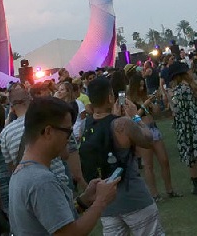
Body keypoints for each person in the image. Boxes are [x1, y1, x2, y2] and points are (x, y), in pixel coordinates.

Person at [8, 97, 121, 236]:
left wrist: (83, 200)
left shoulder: (21, 172)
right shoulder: (42, 181)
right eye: (67, 131)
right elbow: (69, 233)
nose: (70, 138)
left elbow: (51, 221)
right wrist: (101, 201)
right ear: (48, 132)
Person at [78, 75, 164, 235]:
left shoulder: (86, 124)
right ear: (110, 97)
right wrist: (135, 117)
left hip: (106, 201)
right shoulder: (122, 124)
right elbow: (147, 139)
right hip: (133, 198)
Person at [164, 63, 197, 194]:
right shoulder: (193, 86)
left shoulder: (179, 90)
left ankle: (196, 184)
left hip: (186, 127)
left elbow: (176, 110)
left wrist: (169, 97)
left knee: (190, 157)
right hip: (196, 124)